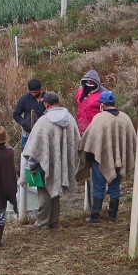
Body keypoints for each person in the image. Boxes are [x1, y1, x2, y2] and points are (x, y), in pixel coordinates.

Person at [21, 92, 80, 230]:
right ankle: (54, 221)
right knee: (55, 189)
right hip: (62, 162)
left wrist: (31, 164)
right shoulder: (70, 118)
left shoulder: (43, 121)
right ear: (58, 102)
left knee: (44, 191)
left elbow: (34, 146)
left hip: (43, 162)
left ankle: (42, 222)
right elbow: (77, 140)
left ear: (46, 104)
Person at [77, 91, 137, 224]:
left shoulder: (99, 118)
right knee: (115, 188)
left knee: (99, 187)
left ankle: (94, 216)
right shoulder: (125, 118)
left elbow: (89, 139)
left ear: (102, 104)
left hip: (100, 160)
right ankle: (112, 217)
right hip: (120, 160)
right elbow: (132, 141)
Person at [13, 78, 46, 149]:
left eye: (35, 92)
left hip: (44, 133)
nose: (33, 94)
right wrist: (24, 123)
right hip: (28, 134)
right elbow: (16, 114)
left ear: (40, 90)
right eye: (31, 92)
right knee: (26, 156)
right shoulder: (24, 99)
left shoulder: (47, 98)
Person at [75, 70, 110, 134]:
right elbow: (78, 104)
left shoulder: (104, 94)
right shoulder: (80, 90)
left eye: (91, 82)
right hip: (80, 128)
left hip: (95, 130)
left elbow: (108, 113)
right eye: (87, 82)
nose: (89, 83)